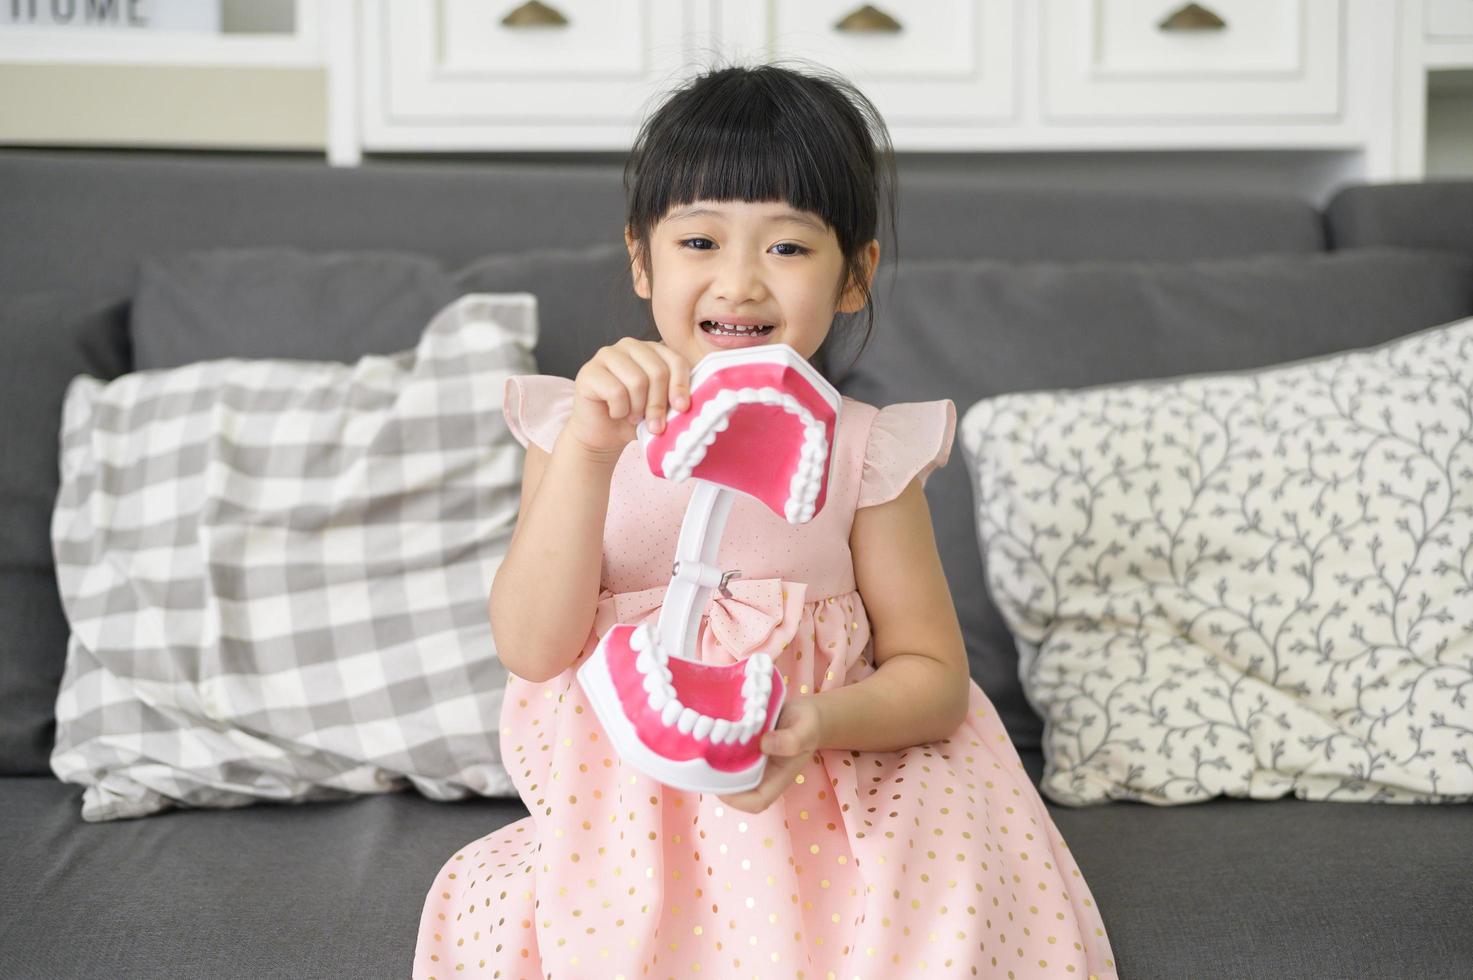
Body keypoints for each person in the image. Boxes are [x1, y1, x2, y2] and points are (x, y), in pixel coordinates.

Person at [413, 59, 1118, 980]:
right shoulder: (575, 430)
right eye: (699, 242)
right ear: (641, 260)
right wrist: (590, 452)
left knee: (936, 886)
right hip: (626, 827)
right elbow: (533, 648)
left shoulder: (861, 454)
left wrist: (815, 720)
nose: (740, 283)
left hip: (823, 803)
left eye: (787, 248)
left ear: (855, 275)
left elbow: (936, 679)